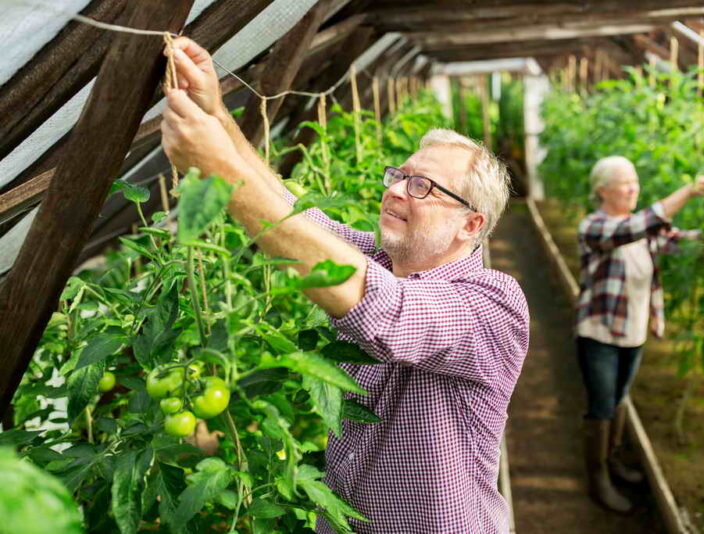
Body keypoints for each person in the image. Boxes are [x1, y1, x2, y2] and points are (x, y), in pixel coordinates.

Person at [159, 37, 529, 533]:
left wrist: (217, 169)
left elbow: (385, 311)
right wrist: (217, 113)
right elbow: (291, 212)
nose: (396, 189)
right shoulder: (379, 258)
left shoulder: (492, 306)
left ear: (470, 225)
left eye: (422, 186)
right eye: (399, 175)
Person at [575, 156, 704, 513]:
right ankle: (598, 480)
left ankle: (613, 462)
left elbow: (684, 242)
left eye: (635, 181)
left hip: (633, 332)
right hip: (599, 333)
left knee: (621, 398)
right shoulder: (594, 227)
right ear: (602, 190)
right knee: (602, 405)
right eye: (625, 183)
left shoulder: (645, 229)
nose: (633, 188)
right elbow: (638, 227)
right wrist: (687, 192)